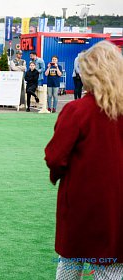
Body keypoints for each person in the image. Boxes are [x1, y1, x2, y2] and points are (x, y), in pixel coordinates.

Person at [45, 40, 123, 280]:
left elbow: (55, 157)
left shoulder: (77, 110)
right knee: (110, 267)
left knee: (70, 264)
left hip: (80, 201)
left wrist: (57, 174)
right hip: (117, 202)